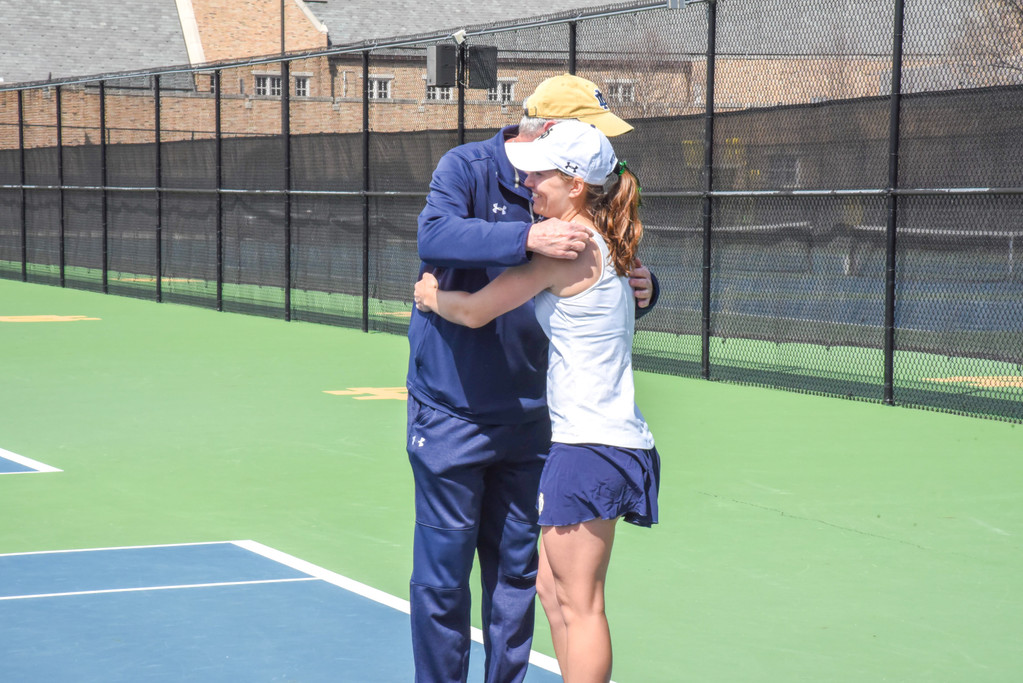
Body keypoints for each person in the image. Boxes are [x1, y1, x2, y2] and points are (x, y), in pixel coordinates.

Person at [406, 74, 658, 683]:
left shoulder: (578, 217)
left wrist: (648, 288)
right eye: (589, 130)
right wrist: (524, 237)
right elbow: (433, 234)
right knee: (520, 585)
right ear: (551, 131)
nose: (601, 144)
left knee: (551, 591)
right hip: (461, 414)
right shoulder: (473, 168)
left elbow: (482, 308)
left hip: (556, 431)